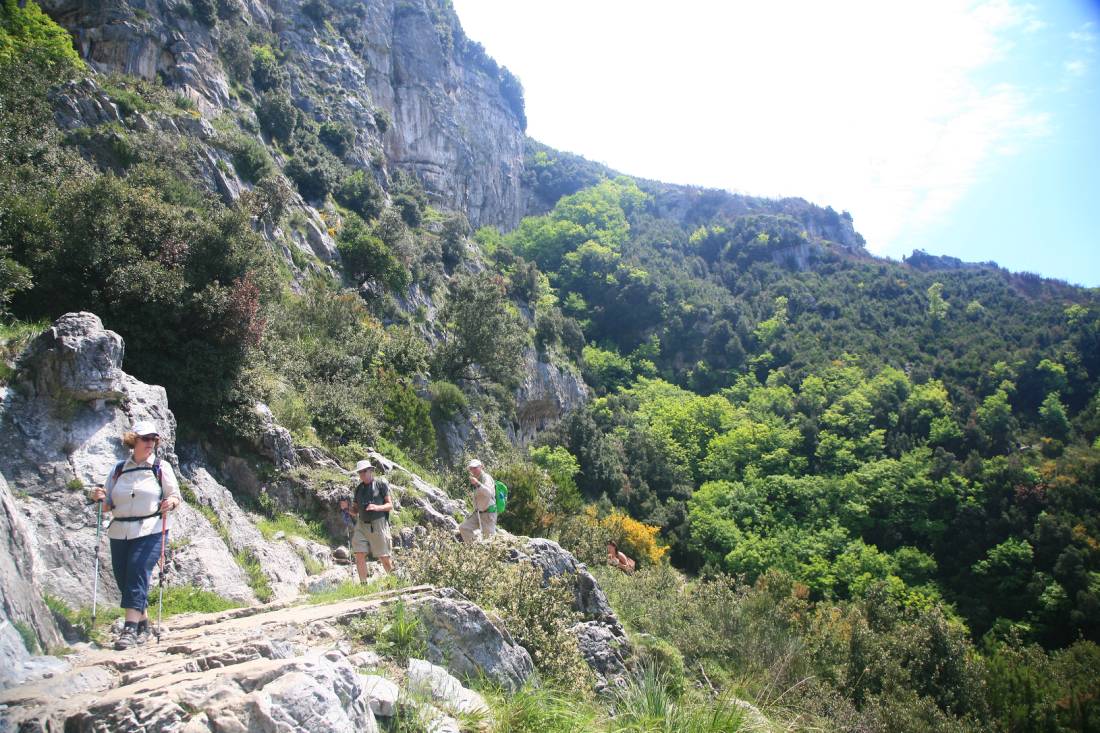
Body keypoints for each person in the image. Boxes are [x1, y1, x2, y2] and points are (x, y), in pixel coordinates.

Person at [88, 420, 182, 649]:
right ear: (134, 441)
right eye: (146, 439)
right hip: (120, 530)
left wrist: (170, 501)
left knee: (138, 568)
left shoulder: (160, 467)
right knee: (124, 577)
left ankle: (129, 629)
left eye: (154, 439)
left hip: (151, 528)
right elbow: (108, 503)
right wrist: (97, 497)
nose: (151, 443)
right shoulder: (119, 469)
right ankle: (143, 624)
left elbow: (176, 496)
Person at [350, 459, 394, 578]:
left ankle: (395, 582)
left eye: (364, 471)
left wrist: (376, 507)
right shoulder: (358, 489)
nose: (362, 474)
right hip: (362, 524)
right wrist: (346, 508)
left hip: (378, 524)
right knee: (359, 554)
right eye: (360, 472)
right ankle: (363, 586)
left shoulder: (380, 484)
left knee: (384, 557)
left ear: (371, 471)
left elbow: (390, 505)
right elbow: (355, 511)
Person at [458, 458, 496, 543]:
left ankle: (488, 553)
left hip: (488, 514)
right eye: (471, 468)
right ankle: (476, 549)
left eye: (475, 467)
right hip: (478, 513)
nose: (473, 470)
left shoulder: (486, 478)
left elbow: (489, 493)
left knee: (489, 541)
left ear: (481, 466)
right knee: (464, 528)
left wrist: (477, 484)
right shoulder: (477, 478)